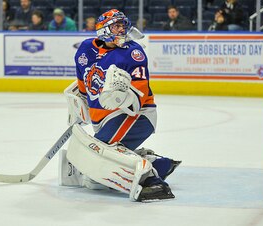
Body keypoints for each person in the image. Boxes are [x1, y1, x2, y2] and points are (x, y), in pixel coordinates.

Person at [61, 9, 181, 202]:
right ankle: (158, 164)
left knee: (96, 162)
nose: (122, 30)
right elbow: (83, 85)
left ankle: (152, 182)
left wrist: (121, 97)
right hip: (103, 120)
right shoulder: (84, 49)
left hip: (136, 115)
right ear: (103, 30)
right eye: (116, 26)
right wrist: (79, 104)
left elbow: (139, 96)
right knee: (97, 159)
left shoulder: (133, 52)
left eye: (123, 25)